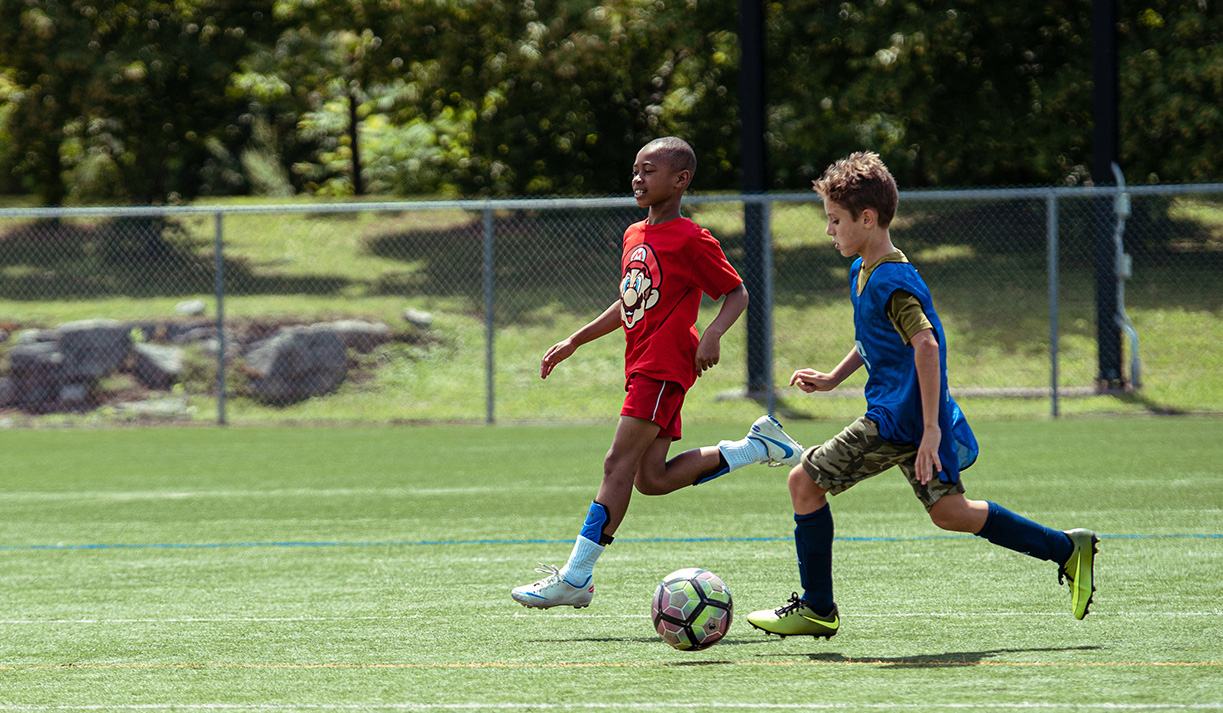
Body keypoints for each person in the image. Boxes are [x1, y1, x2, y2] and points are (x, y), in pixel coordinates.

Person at [745, 151, 1098, 638]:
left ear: (866, 219)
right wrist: (832, 378)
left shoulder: (892, 281)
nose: (829, 231)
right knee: (950, 512)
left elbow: (926, 345)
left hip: (900, 420)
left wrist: (931, 431)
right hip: (911, 418)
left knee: (803, 482)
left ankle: (818, 607)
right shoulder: (865, 269)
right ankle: (1067, 548)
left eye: (834, 220)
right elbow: (876, 340)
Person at [511, 137, 804, 610]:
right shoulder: (633, 234)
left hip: (663, 367)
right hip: (643, 366)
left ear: (680, 180)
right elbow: (629, 300)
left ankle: (576, 576)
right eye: (635, 170)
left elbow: (736, 293)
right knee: (651, 478)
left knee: (616, 464)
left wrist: (712, 335)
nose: (637, 178)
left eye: (649, 170)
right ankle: (757, 446)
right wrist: (575, 341)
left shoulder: (692, 238)